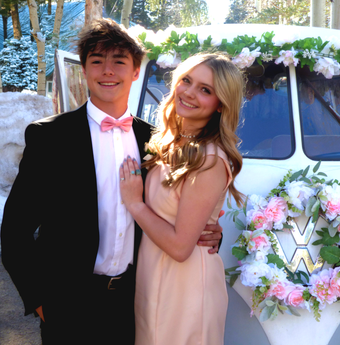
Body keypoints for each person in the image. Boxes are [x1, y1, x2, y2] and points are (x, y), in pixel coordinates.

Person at [1, 19, 223, 345]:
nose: (108, 71)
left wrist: (212, 232)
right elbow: (15, 230)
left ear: (135, 71)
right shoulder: (50, 137)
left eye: (119, 61)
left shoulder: (156, 142)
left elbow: (179, 208)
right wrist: (39, 301)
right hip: (67, 304)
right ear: (85, 70)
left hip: (135, 301)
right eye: (97, 61)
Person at [119, 53, 245, 345]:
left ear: (220, 105)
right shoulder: (168, 142)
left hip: (185, 286)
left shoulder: (210, 159)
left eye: (206, 90)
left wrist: (135, 204)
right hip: (155, 277)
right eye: (186, 81)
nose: (189, 92)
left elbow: (180, 247)